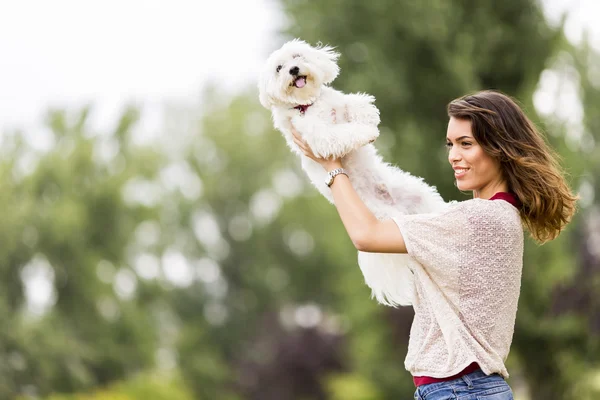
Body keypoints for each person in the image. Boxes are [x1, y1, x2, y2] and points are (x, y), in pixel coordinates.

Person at [290, 90, 578, 400]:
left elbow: (367, 234)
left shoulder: (476, 219)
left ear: (500, 149)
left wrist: (332, 166)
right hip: (462, 390)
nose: (454, 155)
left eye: (466, 144)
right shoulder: (495, 216)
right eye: (451, 144)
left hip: (460, 390)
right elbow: (386, 211)